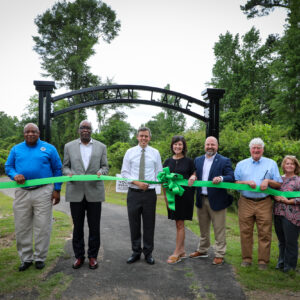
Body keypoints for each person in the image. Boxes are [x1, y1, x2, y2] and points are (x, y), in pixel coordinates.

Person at [5, 123, 62, 271]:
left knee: (42, 226)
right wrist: (14, 175)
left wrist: (57, 189)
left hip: (44, 191)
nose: (30, 134)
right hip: (22, 192)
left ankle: (39, 258)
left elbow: (57, 169)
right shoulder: (16, 149)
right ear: (24, 134)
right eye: (27, 132)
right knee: (22, 226)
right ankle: (26, 258)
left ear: (38, 133)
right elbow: (8, 167)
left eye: (34, 131)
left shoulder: (49, 148)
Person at [63, 120, 109, 270]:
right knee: (77, 227)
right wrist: (68, 173)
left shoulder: (101, 147)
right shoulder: (69, 146)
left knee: (94, 227)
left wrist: (101, 172)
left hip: (94, 191)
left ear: (91, 130)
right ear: (79, 130)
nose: (85, 130)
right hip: (75, 191)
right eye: (83, 127)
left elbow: (105, 167)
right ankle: (79, 256)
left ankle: (92, 256)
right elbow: (65, 166)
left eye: (88, 128)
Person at [234, 137, 282, 270]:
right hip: (245, 202)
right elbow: (236, 183)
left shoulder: (271, 163)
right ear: (250, 149)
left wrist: (268, 181)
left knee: (265, 232)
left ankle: (263, 262)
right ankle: (246, 259)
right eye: (254, 148)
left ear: (262, 150)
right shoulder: (241, 164)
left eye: (259, 148)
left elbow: (278, 183)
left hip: (264, 202)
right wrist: (246, 183)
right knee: (245, 232)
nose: (256, 150)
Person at [188, 136, 234, 265]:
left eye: (212, 145)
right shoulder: (198, 160)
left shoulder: (224, 161)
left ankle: (219, 253)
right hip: (201, 199)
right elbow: (194, 173)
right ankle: (202, 250)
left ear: (217, 146)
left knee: (219, 229)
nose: (210, 147)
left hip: (218, 200)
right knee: (203, 228)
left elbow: (231, 176)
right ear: (204, 146)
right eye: (208, 144)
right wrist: (193, 175)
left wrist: (221, 178)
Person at [121, 127, 162, 265]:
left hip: (149, 194)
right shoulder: (130, 152)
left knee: (149, 224)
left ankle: (148, 253)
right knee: (134, 224)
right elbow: (125, 173)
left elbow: (159, 173)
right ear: (137, 137)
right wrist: (137, 183)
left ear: (149, 138)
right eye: (141, 136)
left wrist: (151, 185)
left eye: (146, 136)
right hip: (133, 193)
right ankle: (136, 252)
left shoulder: (155, 153)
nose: (143, 138)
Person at [163, 135, 195, 264]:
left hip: (184, 196)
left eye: (180, 144)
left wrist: (193, 176)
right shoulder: (167, 161)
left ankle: (177, 252)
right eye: (175, 144)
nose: (177, 146)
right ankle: (181, 250)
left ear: (183, 146)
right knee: (178, 224)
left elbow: (194, 173)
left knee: (180, 223)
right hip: (171, 197)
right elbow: (164, 180)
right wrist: (165, 197)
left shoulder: (189, 161)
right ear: (172, 146)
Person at [273, 155, 300, 273]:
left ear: (296, 166)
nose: (289, 165)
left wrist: (288, 201)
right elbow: (272, 191)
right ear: (283, 166)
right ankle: (281, 263)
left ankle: (290, 267)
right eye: (287, 163)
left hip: (292, 215)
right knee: (281, 240)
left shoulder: (298, 180)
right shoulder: (278, 179)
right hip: (278, 212)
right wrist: (274, 196)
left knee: (291, 241)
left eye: (292, 164)